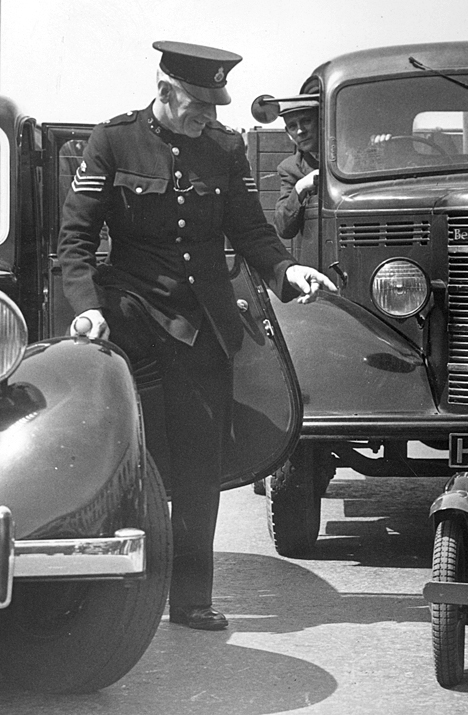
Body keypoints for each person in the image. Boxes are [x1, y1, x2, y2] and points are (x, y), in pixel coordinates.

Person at [57, 41, 337, 631]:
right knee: (113, 463)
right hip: (129, 323)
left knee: (198, 467)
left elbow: (252, 230)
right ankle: (102, 595)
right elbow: (76, 244)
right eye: (198, 105)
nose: (208, 116)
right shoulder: (112, 141)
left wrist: (287, 271)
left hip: (203, 328)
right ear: (164, 90)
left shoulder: (226, 148)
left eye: (214, 106)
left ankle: (190, 600)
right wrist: (86, 309)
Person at [274, 99, 319, 242]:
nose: (300, 131)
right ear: (288, 133)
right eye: (293, 126)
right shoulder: (290, 168)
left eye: (306, 121)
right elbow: (284, 229)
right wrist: (300, 188)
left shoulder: (349, 156)